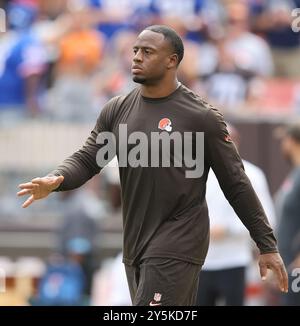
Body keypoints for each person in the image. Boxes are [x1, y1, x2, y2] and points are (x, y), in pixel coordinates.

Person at [18, 25, 288, 306]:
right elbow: (89, 158)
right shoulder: (117, 109)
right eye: (135, 50)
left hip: (179, 241)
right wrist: (57, 178)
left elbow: (236, 182)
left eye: (147, 52)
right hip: (135, 243)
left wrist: (266, 244)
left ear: (172, 60)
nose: (136, 57)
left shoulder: (201, 117)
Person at [197, 124, 276, 306]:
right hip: (201, 261)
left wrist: (228, 230)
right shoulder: (197, 174)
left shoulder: (253, 175)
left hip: (234, 260)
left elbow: (268, 219)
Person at [275, 122, 300, 305]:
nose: (282, 144)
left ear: (292, 141)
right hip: (288, 262)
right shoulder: (295, 174)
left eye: (284, 139)